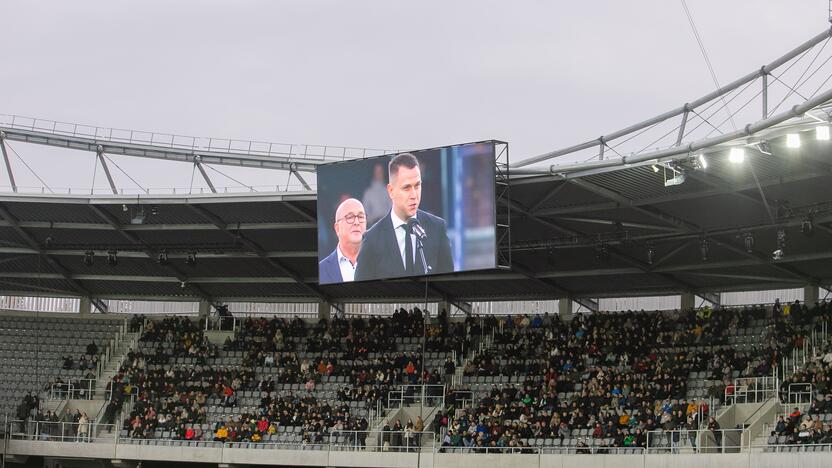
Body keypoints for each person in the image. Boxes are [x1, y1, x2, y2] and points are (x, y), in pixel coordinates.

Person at [354, 153, 454, 281]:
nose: (414, 195)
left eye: (417, 186)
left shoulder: (437, 228)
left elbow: (448, 283)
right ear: (391, 191)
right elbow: (361, 294)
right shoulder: (372, 239)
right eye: (406, 188)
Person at [319, 198, 367, 284]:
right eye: (350, 217)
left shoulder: (383, 263)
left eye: (360, 217)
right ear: (337, 228)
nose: (357, 222)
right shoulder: (321, 270)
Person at [362, 163, 391, 227]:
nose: (379, 174)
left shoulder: (388, 190)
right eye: (377, 171)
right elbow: (365, 213)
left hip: (387, 225)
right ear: (373, 173)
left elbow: (392, 209)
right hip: (373, 226)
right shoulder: (368, 192)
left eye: (380, 171)